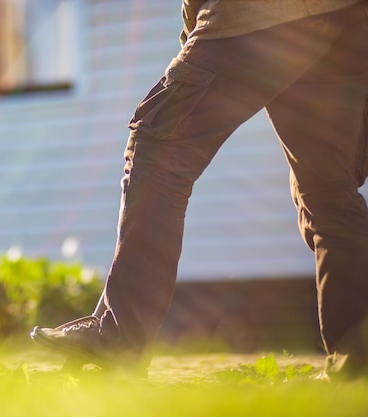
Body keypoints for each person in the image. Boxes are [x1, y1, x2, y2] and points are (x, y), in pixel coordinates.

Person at [30, 0, 368, 380]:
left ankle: (119, 340)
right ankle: (356, 367)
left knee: (158, 148)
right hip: (347, 20)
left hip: (256, 15)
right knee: (329, 193)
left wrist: (193, 29)